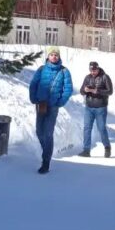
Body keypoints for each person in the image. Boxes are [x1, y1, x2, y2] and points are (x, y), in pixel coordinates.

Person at [28, 46, 73, 174]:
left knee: (48, 132)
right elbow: (33, 84)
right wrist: (33, 98)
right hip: (41, 105)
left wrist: (60, 102)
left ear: (59, 57)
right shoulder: (41, 69)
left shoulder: (64, 71)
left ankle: (46, 162)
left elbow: (68, 89)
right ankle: (46, 151)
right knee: (39, 131)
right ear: (48, 56)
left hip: (53, 106)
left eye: (56, 55)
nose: (54, 56)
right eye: (52, 54)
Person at [78, 61, 113, 158]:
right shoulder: (87, 77)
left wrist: (98, 91)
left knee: (101, 128)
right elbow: (81, 91)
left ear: (98, 68)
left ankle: (107, 147)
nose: (93, 72)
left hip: (100, 107)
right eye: (91, 70)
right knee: (87, 128)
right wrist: (85, 90)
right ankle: (86, 150)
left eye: (95, 70)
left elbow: (110, 91)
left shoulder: (105, 77)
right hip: (89, 107)